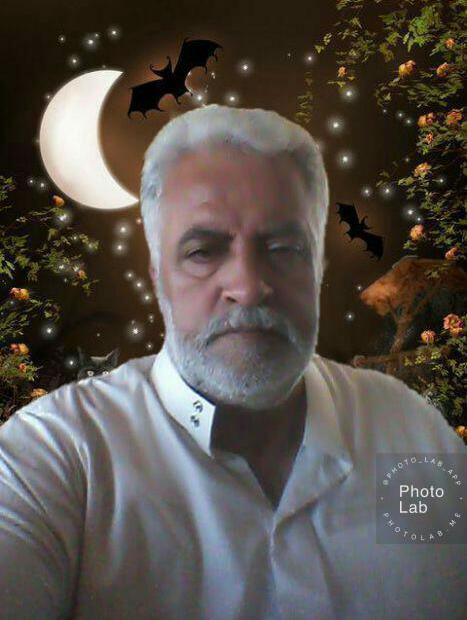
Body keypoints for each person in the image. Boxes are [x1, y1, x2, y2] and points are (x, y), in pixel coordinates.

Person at [0, 104, 465, 620]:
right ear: (156, 273)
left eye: (283, 248)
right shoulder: (56, 458)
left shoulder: (412, 432)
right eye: (203, 251)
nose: (247, 287)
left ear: (317, 266)